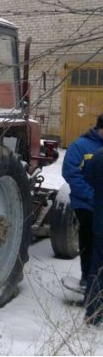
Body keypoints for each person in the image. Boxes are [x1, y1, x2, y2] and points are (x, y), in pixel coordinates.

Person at [62, 114, 103, 288]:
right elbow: (71, 173)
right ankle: (87, 277)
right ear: (100, 128)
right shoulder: (80, 146)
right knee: (89, 238)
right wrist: (92, 195)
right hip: (86, 204)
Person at [83, 146, 103, 325]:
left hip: (100, 222)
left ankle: (93, 315)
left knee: (96, 269)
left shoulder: (97, 156)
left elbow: (87, 177)